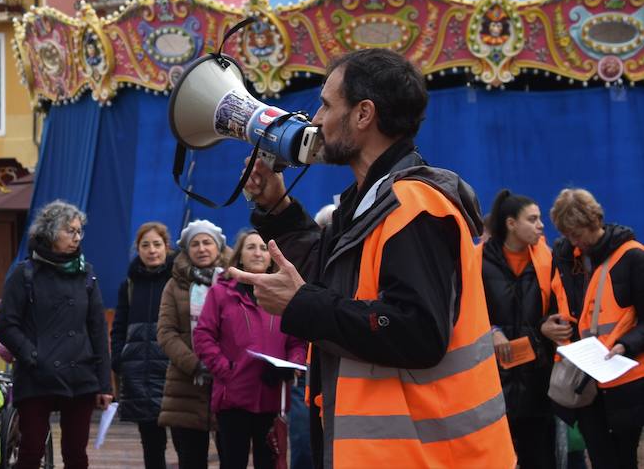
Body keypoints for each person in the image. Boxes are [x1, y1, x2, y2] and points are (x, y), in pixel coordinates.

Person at [238, 48, 514, 467]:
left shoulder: (413, 207)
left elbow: (417, 331)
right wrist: (278, 210)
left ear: (363, 114)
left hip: (429, 457)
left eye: (327, 105)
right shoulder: (374, 200)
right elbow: (333, 279)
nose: (316, 119)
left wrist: (301, 304)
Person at [0, 200, 111, 469]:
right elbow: (6, 326)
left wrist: (104, 384)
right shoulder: (23, 274)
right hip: (37, 376)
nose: (76, 237)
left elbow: (97, 330)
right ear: (49, 233)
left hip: (79, 375)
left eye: (79, 231)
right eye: (69, 231)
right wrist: (34, 355)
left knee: (76, 455)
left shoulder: (86, 274)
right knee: (30, 452)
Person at [541, 188, 644, 469]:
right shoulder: (564, 259)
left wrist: (627, 344)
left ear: (594, 221)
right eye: (568, 235)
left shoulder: (633, 257)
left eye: (578, 233)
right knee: (600, 459)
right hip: (583, 382)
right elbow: (556, 308)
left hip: (624, 378)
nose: (575, 241)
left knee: (623, 459)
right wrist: (546, 327)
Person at [194, 230, 306, 469]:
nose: (258, 253)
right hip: (233, 396)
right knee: (233, 462)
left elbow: (298, 341)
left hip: (272, 395)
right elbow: (203, 335)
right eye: (251, 247)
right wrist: (227, 370)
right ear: (240, 256)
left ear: (271, 258)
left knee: (270, 463)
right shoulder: (221, 292)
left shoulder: (284, 295)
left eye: (264, 248)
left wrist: (291, 366)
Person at [480, 189, 554, 469]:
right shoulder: (477, 260)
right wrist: (491, 330)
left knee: (541, 456)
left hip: (538, 377)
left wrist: (549, 327)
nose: (541, 225)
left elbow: (557, 307)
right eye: (533, 219)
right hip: (493, 380)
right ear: (511, 223)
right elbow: (461, 312)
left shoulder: (547, 259)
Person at [157, 218, 225, 469]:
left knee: (231, 458)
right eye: (195, 244)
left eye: (207, 242)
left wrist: (222, 365)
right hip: (184, 384)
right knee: (190, 461)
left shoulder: (232, 281)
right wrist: (196, 364)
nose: (202, 248)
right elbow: (166, 332)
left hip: (227, 384)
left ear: (218, 247)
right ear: (186, 250)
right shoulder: (174, 285)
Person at [110, 221, 174, 469]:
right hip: (139, 371)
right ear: (138, 249)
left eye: (157, 244)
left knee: (183, 438)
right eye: (145, 245)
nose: (152, 250)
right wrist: (119, 358)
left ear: (166, 247)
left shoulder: (177, 279)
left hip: (171, 368)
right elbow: (119, 326)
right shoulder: (129, 285)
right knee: (151, 443)